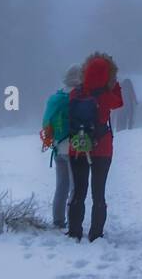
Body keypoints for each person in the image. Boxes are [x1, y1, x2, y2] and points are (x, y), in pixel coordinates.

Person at [67, 52, 123, 243]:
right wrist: (114, 84)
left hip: (78, 147)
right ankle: (95, 233)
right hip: (102, 148)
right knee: (98, 192)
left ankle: (74, 230)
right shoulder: (107, 96)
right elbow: (119, 102)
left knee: (78, 191)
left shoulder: (76, 92)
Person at [39, 64, 82, 229]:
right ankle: (72, 222)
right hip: (73, 147)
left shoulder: (55, 98)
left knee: (61, 187)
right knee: (74, 188)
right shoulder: (78, 97)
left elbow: (46, 122)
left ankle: (58, 220)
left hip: (57, 147)